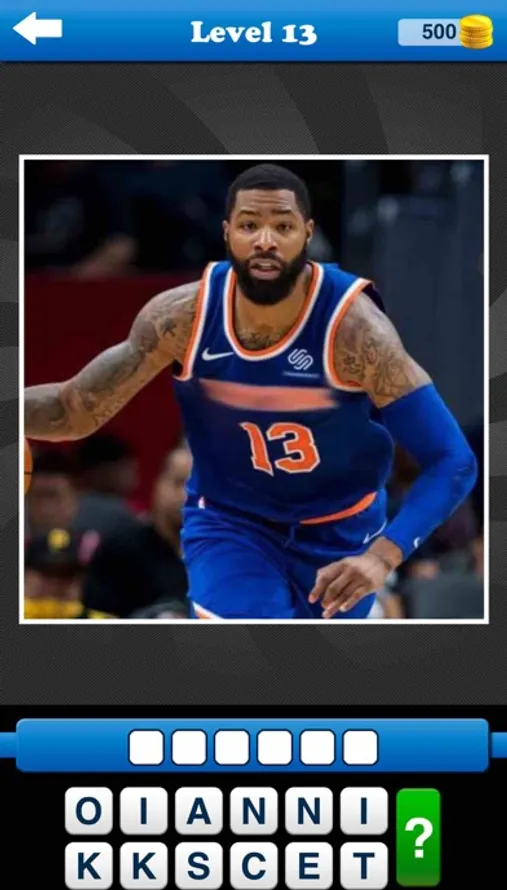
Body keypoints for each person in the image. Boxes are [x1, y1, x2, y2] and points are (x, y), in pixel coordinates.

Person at [24, 163, 478, 620]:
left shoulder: (355, 331)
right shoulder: (181, 318)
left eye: (282, 226)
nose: (265, 240)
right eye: (249, 225)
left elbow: (452, 460)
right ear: (227, 233)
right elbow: (74, 408)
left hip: (340, 531)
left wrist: (382, 557)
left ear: (307, 233)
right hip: (231, 523)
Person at [80, 445, 191, 618]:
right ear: (158, 484)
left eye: (199, 487)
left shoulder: (224, 556)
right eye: (178, 482)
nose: (187, 496)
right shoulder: (120, 550)